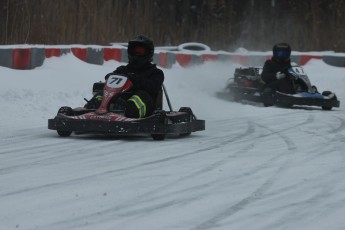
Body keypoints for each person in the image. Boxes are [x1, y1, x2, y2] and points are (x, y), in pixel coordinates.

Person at [87, 35, 164, 118]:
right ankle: (91, 110)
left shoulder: (156, 73)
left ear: (149, 53)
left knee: (141, 96)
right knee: (102, 93)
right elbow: (110, 79)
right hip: (120, 102)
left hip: (144, 108)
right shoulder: (122, 70)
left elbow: (153, 87)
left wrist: (135, 79)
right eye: (134, 51)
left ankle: (125, 111)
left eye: (141, 52)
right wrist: (109, 77)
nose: (137, 55)